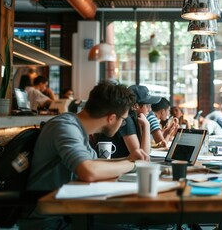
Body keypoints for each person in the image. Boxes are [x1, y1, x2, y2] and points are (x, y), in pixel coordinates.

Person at [19, 81, 137, 229]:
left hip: (70, 213)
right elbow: (89, 171)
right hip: (50, 221)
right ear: (111, 118)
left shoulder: (78, 128)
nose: (123, 124)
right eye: (123, 120)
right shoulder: (65, 127)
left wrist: (128, 158)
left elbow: (94, 163)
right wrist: (132, 165)